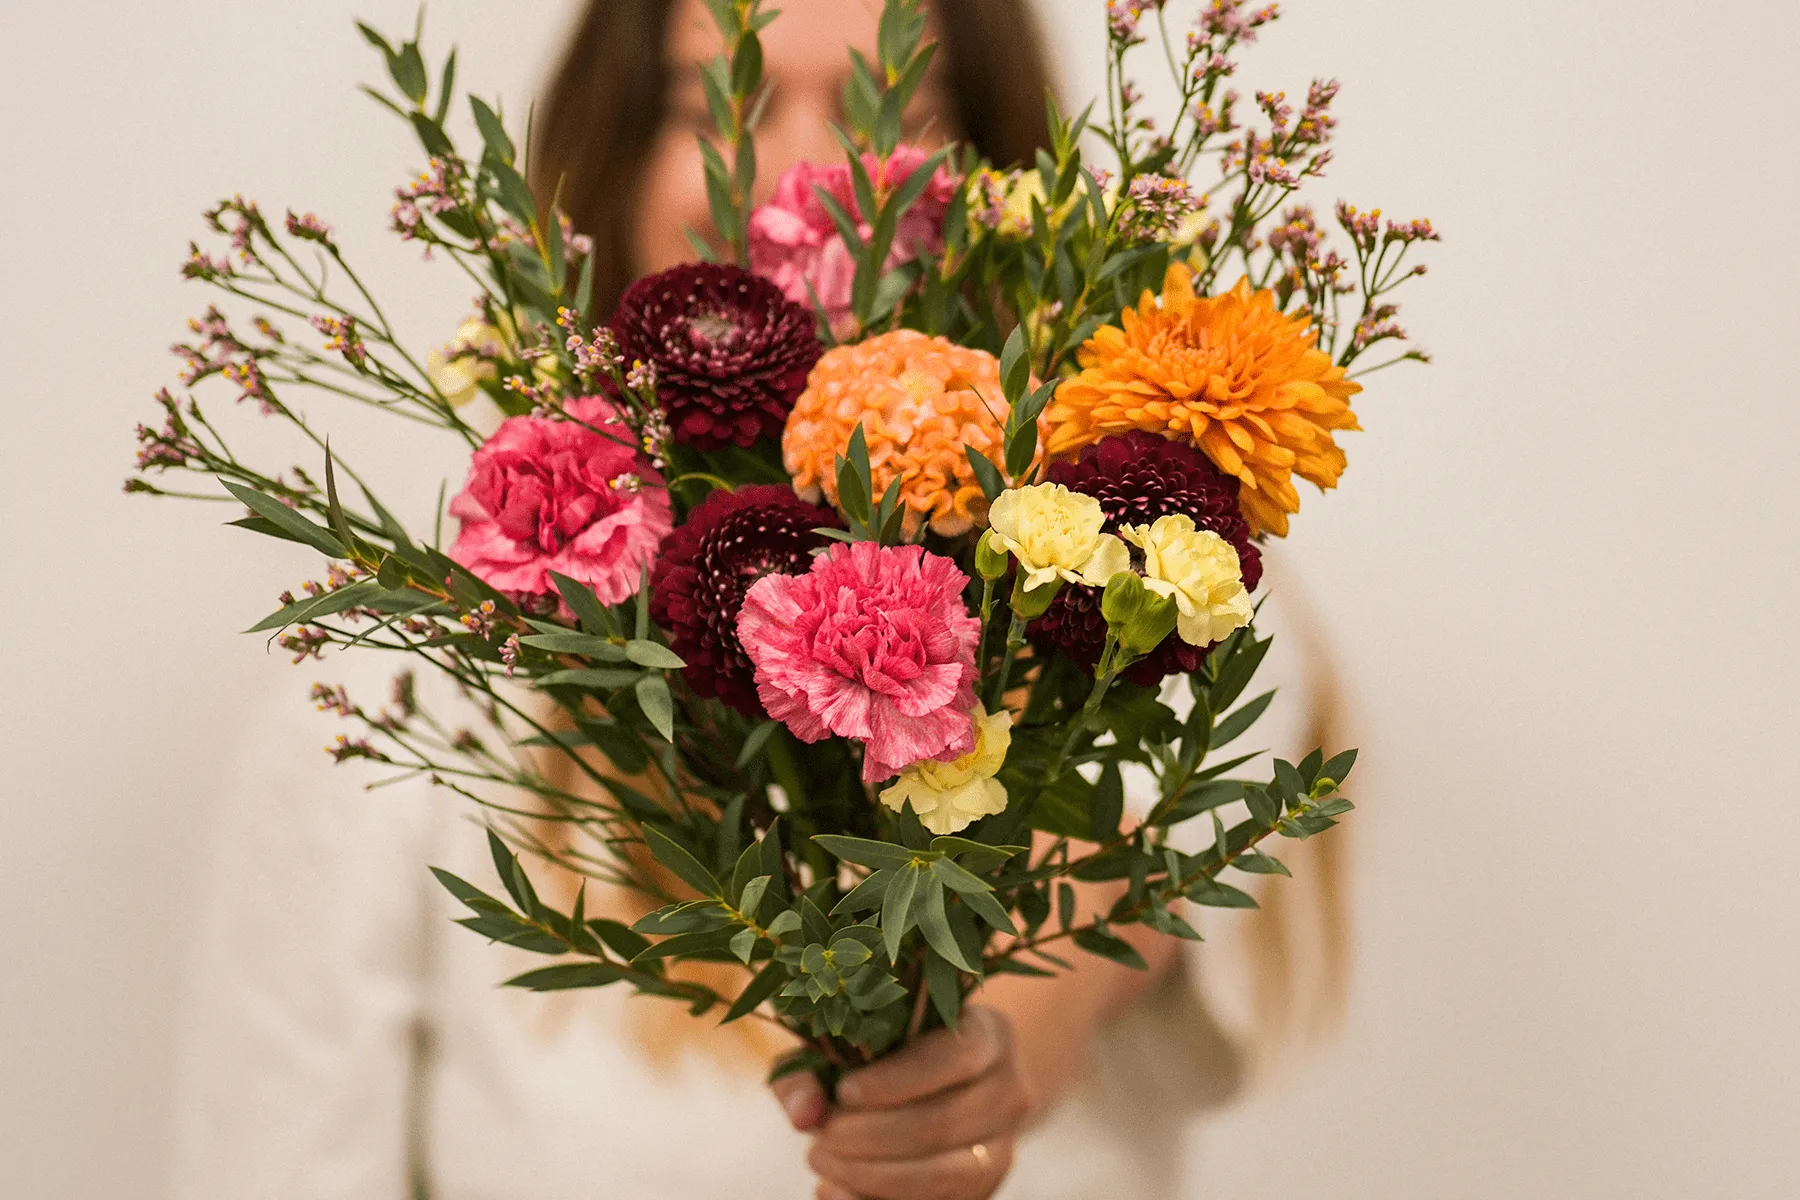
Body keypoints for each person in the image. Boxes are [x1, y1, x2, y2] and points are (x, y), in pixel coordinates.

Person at [170, 3, 1350, 1197]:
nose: (803, 177)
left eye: (894, 106)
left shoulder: (1161, 600)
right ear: (610, 158)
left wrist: (982, 1058)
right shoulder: (401, 701)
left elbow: (1115, 873)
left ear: (1004, 184)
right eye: (712, 107)